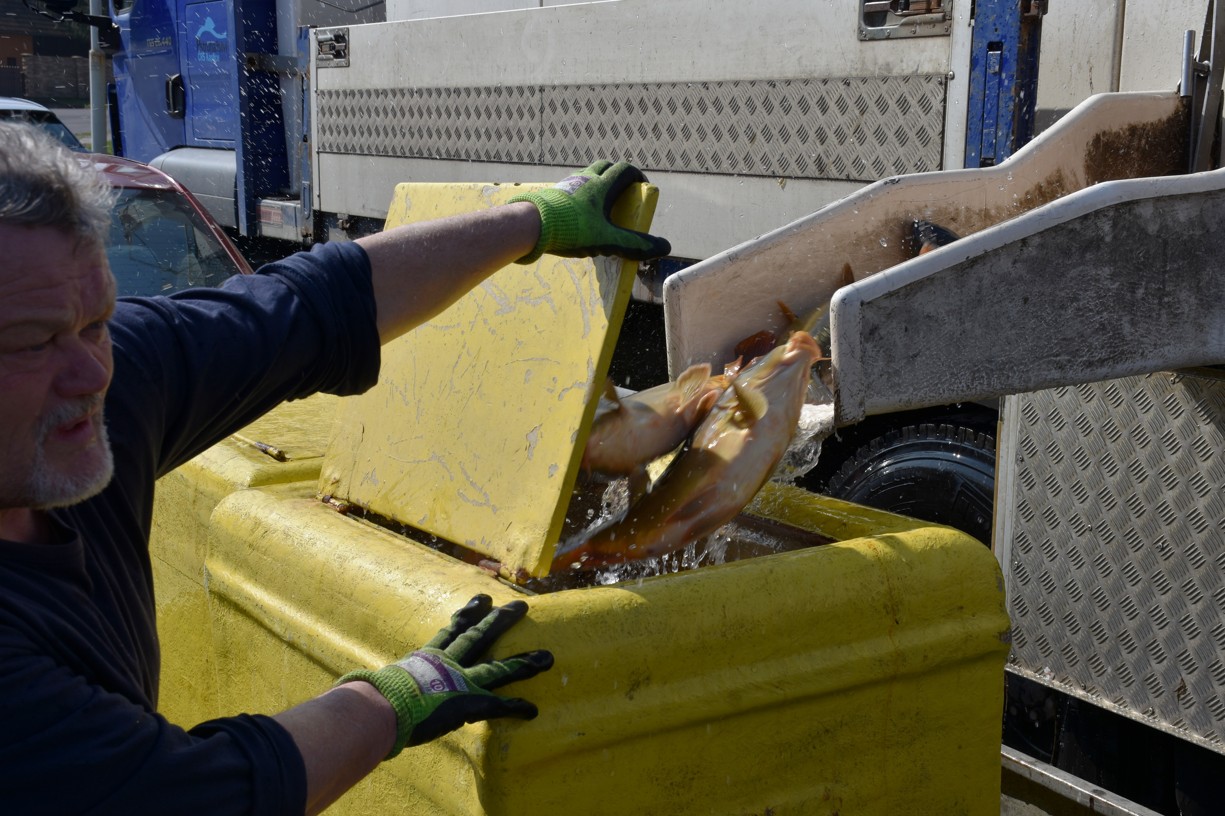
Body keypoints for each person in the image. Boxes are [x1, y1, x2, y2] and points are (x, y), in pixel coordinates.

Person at [0, 121, 671, 814]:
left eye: (96, 322)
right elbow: (194, 796)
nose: (92, 375)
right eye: (30, 344)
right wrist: (392, 701)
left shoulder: (103, 394)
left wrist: (533, 222)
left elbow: (318, 305)